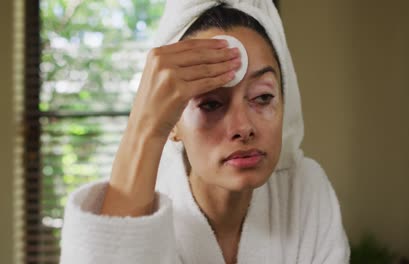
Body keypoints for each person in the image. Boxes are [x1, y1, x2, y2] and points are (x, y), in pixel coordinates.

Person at [59, 1, 350, 264]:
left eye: (263, 97)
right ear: (173, 122)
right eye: (210, 103)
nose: (243, 128)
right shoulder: (138, 203)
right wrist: (146, 127)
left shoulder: (305, 192)